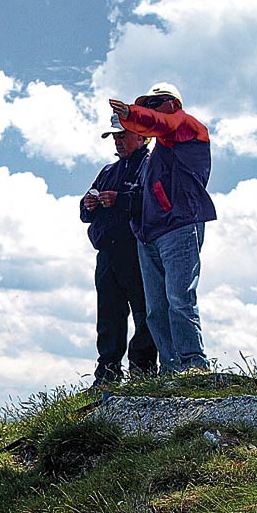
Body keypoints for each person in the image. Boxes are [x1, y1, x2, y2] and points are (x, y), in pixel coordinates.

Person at [109, 82, 216, 373]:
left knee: (179, 299)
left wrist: (131, 114)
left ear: (172, 104)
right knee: (156, 310)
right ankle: (171, 370)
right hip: (151, 234)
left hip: (179, 226)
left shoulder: (186, 126)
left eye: (154, 104)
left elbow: (160, 122)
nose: (150, 110)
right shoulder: (159, 150)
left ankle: (194, 365)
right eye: (146, 105)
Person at [81, 115, 158, 385]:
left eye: (122, 135)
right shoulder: (108, 171)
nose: (117, 140)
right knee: (109, 314)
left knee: (143, 310)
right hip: (107, 254)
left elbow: (153, 201)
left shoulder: (150, 165)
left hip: (136, 250)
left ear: (141, 136)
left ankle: (143, 370)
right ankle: (108, 373)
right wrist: (89, 204)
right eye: (115, 136)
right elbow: (83, 209)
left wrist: (119, 200)